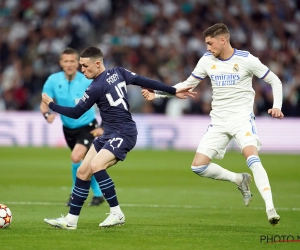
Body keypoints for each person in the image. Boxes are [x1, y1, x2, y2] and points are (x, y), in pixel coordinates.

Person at [141, 23, 283, 226]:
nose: (207, 48)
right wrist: (157, 93)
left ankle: (270, 208)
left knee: (251, 156)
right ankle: (238, 180)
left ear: (223, 40)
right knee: (198, 166)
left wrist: (276, 106)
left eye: (210, 43)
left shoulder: (246, 60)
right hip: (218, 121)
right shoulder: (207, 60)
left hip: (242, 119)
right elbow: (187, 84)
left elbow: (275, 80)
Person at [42, 46, 195, 229]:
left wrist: (52, 105)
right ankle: (71, 220)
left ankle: (117, 213)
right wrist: (172, 90)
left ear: (97, 64)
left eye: (84, 66)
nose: (82, 70)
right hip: (109, 133)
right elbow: (143, 80)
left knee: (96, 165)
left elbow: (75, 113)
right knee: (83, 172)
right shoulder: (119, 72)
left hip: (124, 132)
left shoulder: (95, 87)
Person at [40, 47, 105, 207]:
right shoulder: (53, 80)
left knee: (76, 157)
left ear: (78, 63)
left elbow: (105, 103)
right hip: (68, 128)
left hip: (88, 126)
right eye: (66, 61)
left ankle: (76, 194)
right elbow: (44, 103)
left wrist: (103, 126)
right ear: (61, 63)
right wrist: (47, 115)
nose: (69, 64)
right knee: (85, 162)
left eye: (72, 61)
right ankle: (98, 194)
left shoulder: (87, 80)